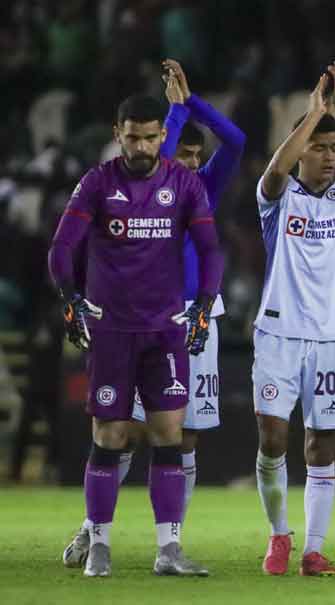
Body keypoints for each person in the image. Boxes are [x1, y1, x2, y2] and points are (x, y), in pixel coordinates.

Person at [62, 59, 244, 570]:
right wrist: (174, 111)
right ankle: (92, 532)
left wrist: (191, 106)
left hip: (192, 316)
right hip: (131, 313)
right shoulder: (144, 177)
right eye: (176, 150)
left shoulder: (199, 187)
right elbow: (148, 147)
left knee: (179, 434)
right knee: (116, 434)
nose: (181, 161)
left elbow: (236, 140)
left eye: (190, 154)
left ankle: (170, 543)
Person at [251, 62, 335, 576]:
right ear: (301, 147)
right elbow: (275, 171)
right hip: (278, 333)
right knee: (273, 440)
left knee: (322, 442)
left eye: (333, 149)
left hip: (332, 336)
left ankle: (313, 548)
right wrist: (313, 114)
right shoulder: (278, 200)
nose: (329, 157)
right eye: (319, 148)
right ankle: (279, 533)